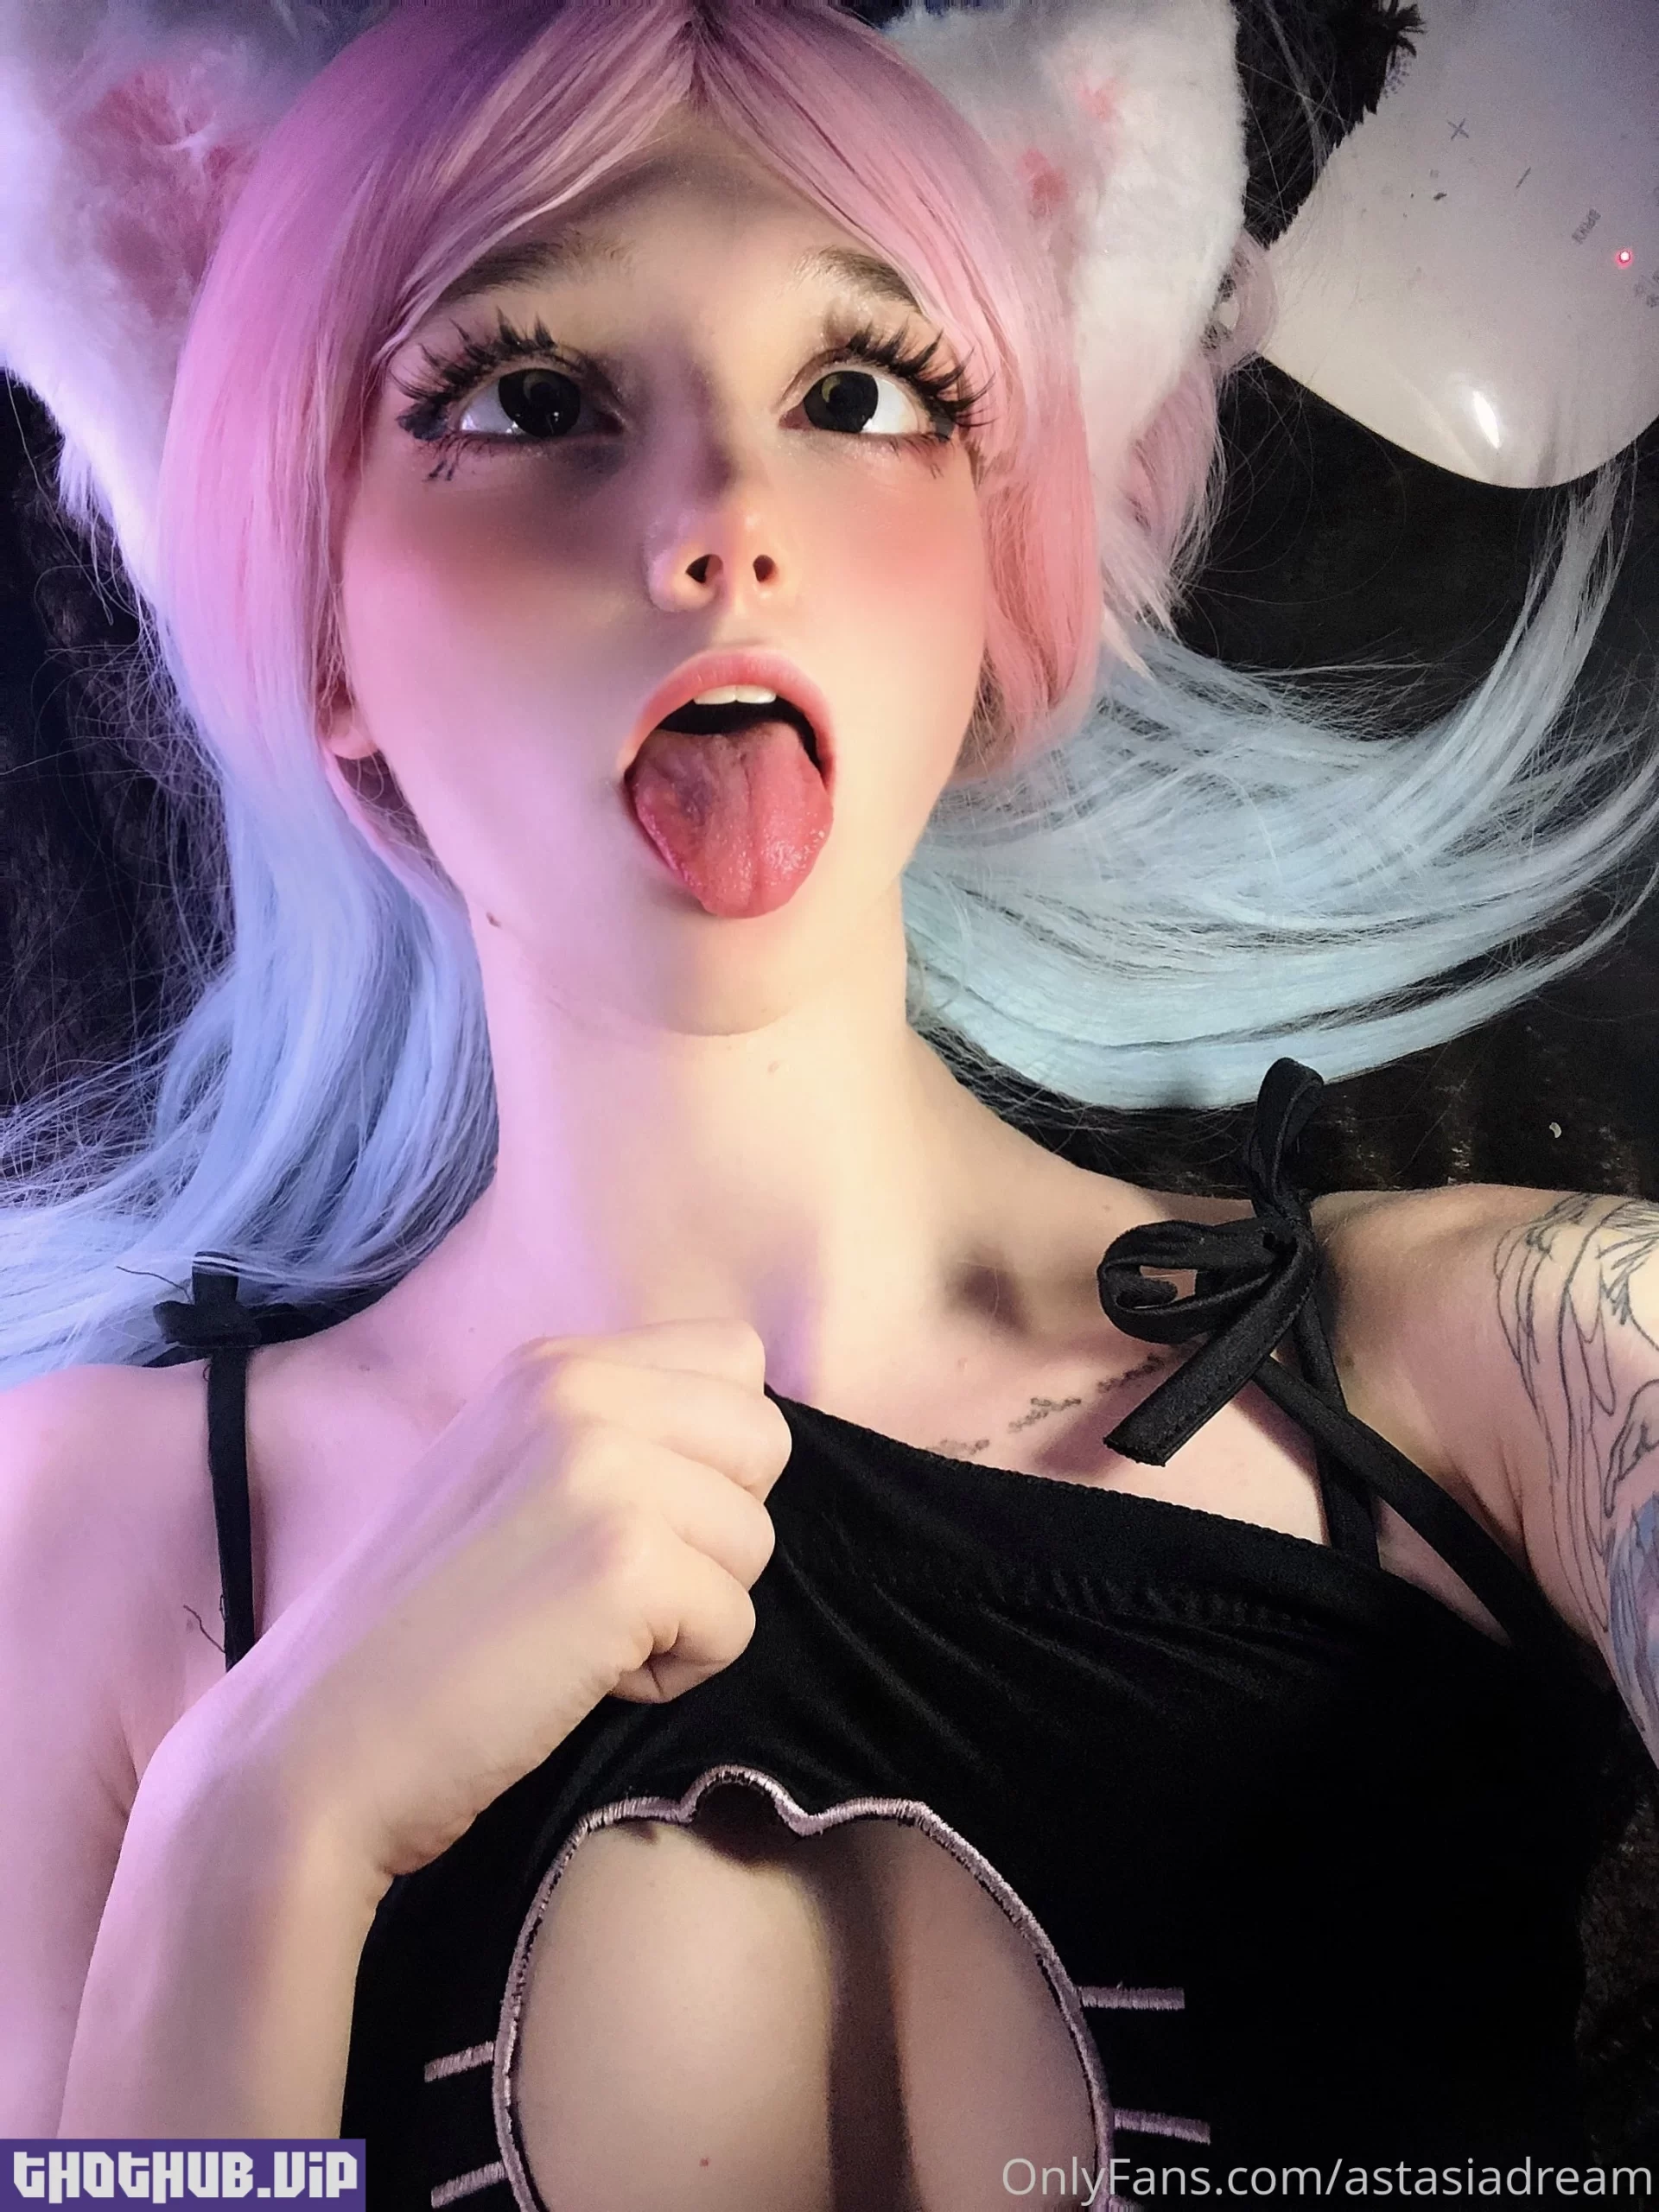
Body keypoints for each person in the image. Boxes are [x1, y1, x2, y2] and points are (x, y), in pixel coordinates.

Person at [1, 0, 1656, 2199]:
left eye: (861, 392)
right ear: (320, 625)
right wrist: (259, 1829)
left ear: (998, 567)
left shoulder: (1524, 1361)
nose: (722, 521)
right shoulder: (90, 1532)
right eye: (531, 398)